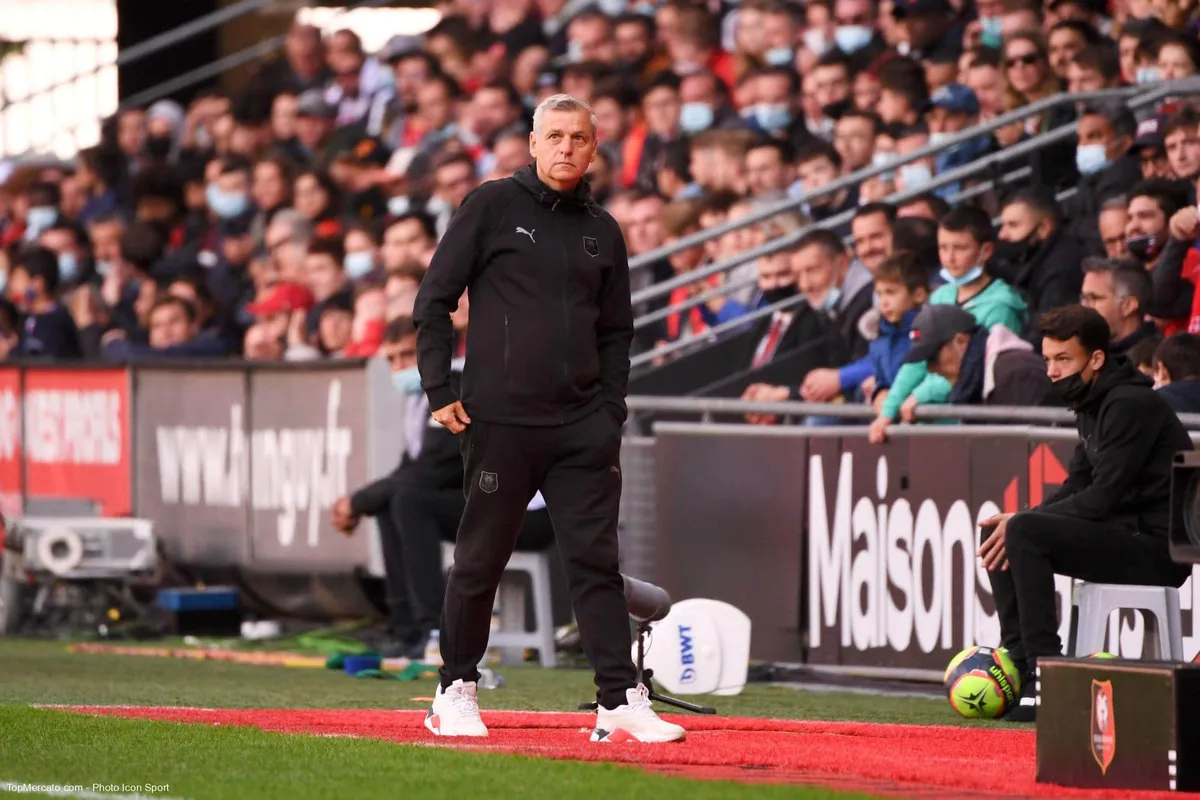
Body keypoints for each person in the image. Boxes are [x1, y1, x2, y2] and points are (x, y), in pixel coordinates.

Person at [412, 93, 684, 743]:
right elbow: (433, 300)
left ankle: (618, 700)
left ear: (595, 149)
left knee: (596, 562)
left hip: (583, 426)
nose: (566, 148)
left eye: (579, 138)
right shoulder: (491, 204)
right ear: (532, 143)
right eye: (554, 136)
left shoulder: (603, 229)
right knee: (481, 559)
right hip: (500, 422)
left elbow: (619, 330)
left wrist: (610, 410)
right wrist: (436, 385)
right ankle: (455, 689)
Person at [977, 305, 1193, 723]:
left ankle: (1047, 675)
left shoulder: (1129, 403)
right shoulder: (1092, 401)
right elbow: (1077, 485)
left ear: (1095, 359)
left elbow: (1100, 499)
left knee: (1022, 530)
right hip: (1124, 532)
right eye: (1048, 360)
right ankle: (1021, 665)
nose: (1052, 371)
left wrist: (1025, 522)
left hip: (1156, 548)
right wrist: (1020, 519)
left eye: (1063, 359)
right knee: (1000, 530)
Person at [330, 318, 554, 659]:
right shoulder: (424, 398)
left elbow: (432, 470)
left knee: (407, 499)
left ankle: (436, 630)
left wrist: (356, 503)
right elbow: (415, 471)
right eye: (391, 360)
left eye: (407, 356)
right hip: (487, 503)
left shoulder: (463, 388)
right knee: (395, 499)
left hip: (525, 513)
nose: (398, 367)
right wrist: (365, 502)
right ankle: (408, 631)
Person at [900, 304, 1052, 408]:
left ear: (960, 341)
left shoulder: (1017, 373)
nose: (930, 369)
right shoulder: (978, 381)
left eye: (933, 358)